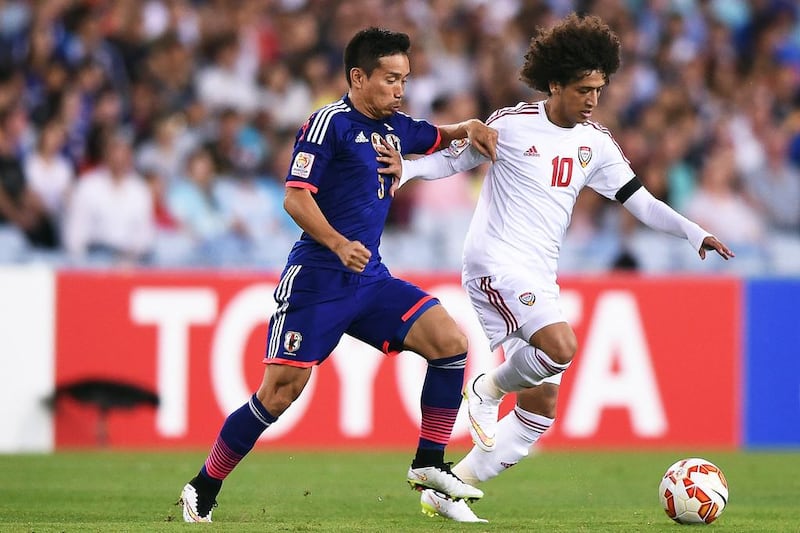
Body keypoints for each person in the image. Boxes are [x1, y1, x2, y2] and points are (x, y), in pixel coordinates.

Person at [380, 13, 735, 522]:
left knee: (540, 410)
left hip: (537, 275)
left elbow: (641, 202)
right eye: (583, 88)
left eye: (599, 88)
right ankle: (487, 388)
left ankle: (449, 488)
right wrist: (408, 169)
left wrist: (692, 231)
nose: (592, 99)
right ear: (555, 83)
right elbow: (453, 160)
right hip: (493, 265)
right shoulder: (512, 123)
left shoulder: (595, 143)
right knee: (561, 346)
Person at [178, 27, 498, 523]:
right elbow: (295, 196)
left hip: (369, 279)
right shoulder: (329, 124)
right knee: (279, 393)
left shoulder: (394, 127)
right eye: (391, 79)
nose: (400, 89)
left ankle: (429, 465)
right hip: (318, 278)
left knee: (450, 343)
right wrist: (336, 242)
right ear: (358, 77)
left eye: (405, 79)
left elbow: (436, 135)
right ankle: (203, 484)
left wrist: (469, 127)